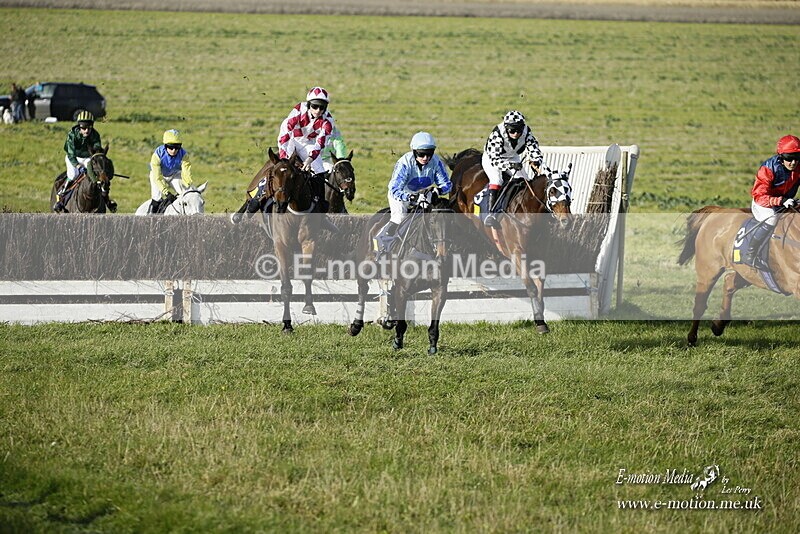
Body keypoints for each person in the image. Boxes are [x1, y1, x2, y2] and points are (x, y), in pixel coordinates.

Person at [381, 131, 452, 242]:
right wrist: (411, 197)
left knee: (435, 218)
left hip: (423, 195)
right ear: (414, 152)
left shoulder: (436, 162)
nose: (425, 158)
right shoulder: (404, 163)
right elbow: (395, 189)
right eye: (421, 154)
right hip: (401, 196)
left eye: (429, 154)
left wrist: (438, 191)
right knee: (399, 218)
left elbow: (447, 185)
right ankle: (383, 243)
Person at [743, 134, 800, 269]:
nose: (793, 162)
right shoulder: (768, 169)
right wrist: (780, 201)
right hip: (764, 203)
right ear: (781, 157)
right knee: (772, 219)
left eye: (797, 158)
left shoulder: (798, 166)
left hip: (786, 201)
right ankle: (750, 255)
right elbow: (759, 196)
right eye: (789, 158)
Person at [481, 110, 545, 227]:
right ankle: (491, 213)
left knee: (526, 182)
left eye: (519, 130)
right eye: (512, 130)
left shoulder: (526, 133)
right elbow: (495, 160)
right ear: (506, 128)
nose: (516, 133)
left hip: (512, 157)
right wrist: (510, 166)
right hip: (492, 158)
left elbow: (534, 149)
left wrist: (536, 160)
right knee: (497, 179)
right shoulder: (496, 134)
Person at [54, 110, 102, 212]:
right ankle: (61, 196)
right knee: (73, 175)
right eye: (83, 128)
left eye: (89, 128)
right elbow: (70, 154)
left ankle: (105, 198)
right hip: (73, 158)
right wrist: (77, 165)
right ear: (79, 127)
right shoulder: (72, 135)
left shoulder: (95, 135)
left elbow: (97, 148)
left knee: (96, 175)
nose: (86, 131)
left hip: (87, 158)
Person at [147, 129, 193, 214]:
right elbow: (157, 177)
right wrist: (166, 193)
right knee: (157, 198)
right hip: (158, 176)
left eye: (177, 147)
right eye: (170, 147)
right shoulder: (157, 155)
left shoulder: (184, 155)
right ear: (165, 146)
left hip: (173, 175)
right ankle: (152, 219)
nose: (174, 150)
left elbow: (187, 173)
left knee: (185, 194)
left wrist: (188, 185)